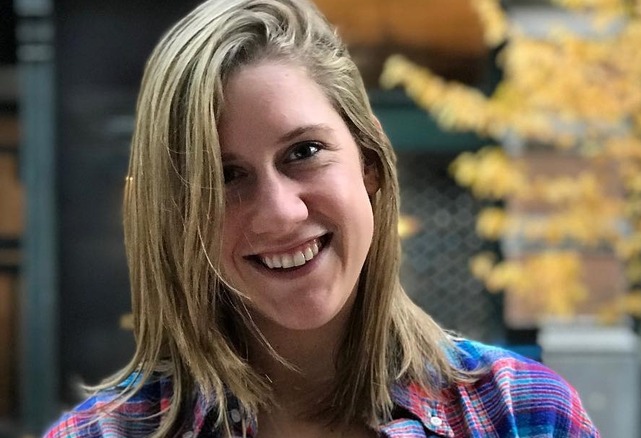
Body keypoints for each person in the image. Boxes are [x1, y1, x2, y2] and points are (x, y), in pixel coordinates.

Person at [45, 0, 600, 436]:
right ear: (177, 216)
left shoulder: (523, 417)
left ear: (371, 167)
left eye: (304, 152)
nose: (281, 212)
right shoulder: (101, 434)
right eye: (226, 177)